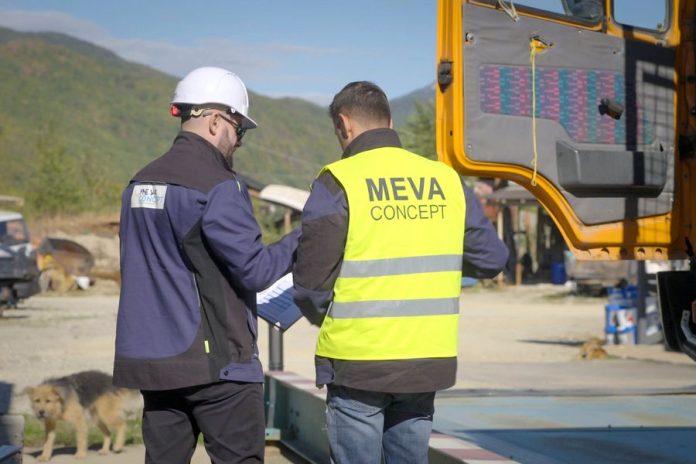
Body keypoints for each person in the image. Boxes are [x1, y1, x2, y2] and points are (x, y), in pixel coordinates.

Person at [293, 81, 508, 464]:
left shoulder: (339, 180)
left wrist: (327, 317)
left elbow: (311, 286)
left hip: (358, 362)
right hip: (426, 359)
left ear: (344, 124)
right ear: (390, 122)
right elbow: (492, 259)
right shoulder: (447, 180)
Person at [113, 66, 299, 464]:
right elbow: (256, 270)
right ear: (216, 120)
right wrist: (304, 236)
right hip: (217, 368)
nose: (239, 141)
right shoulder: (217, 184)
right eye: (238, 128)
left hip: (155, 366)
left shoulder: (138, 184)